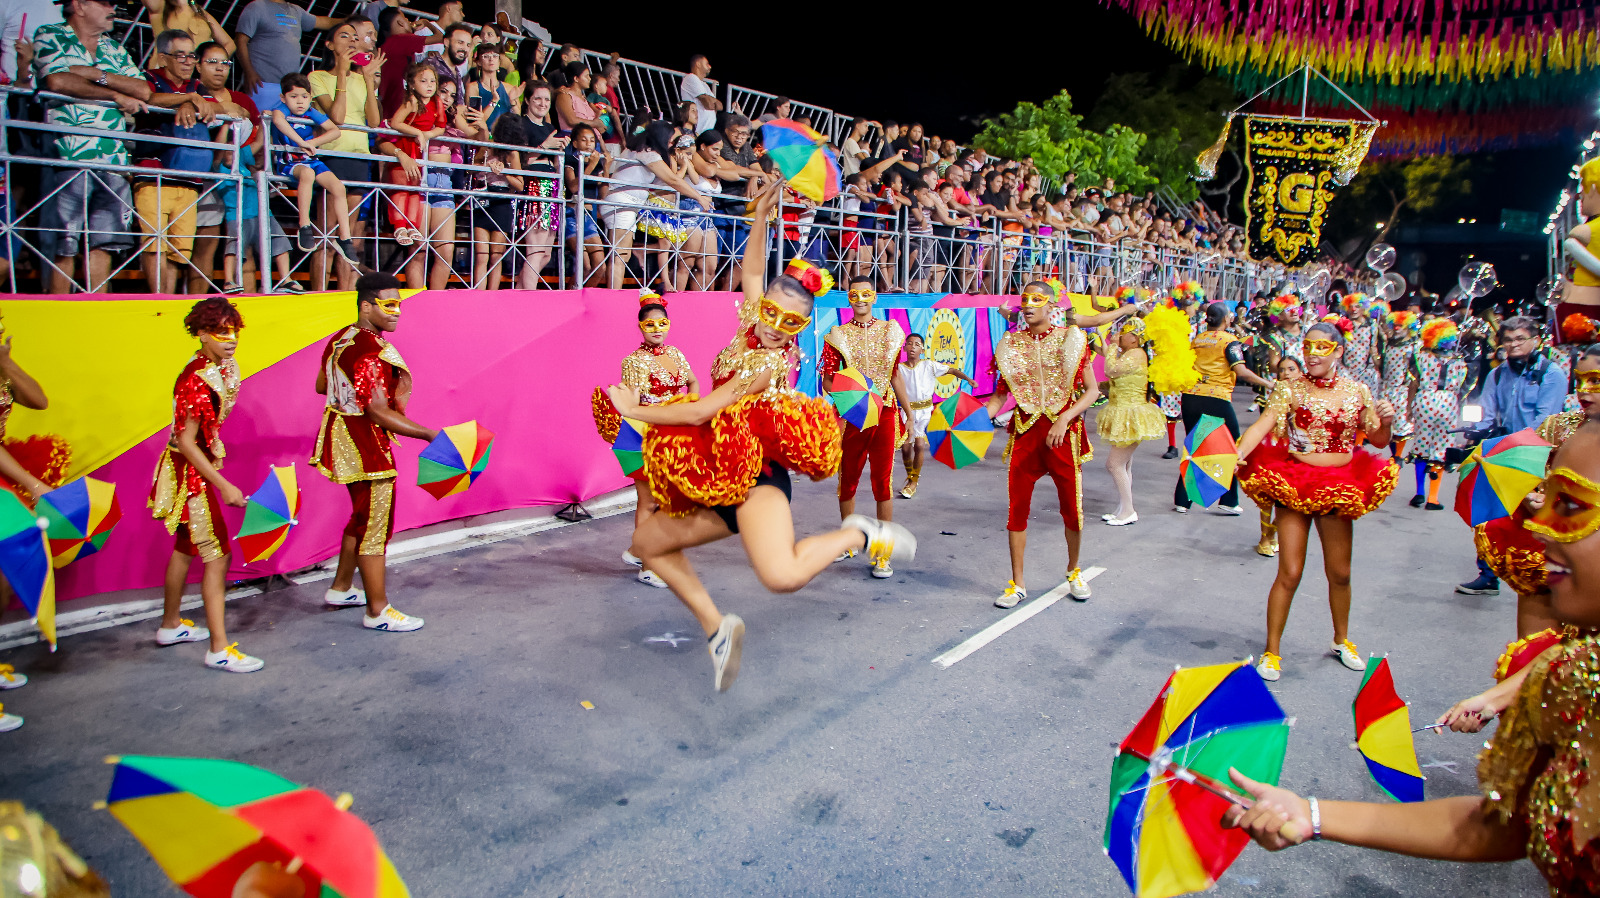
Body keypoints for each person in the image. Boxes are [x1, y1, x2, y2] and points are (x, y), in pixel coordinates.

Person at [1225, 419, 1600, 898]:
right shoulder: (1572, 677)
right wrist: (1312, 814)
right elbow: (1509, 824)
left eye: (1570, 506)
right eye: (1546, 498)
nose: (1541, 527)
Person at [599, 181, 916, 693]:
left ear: (802, 327)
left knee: (782, 576)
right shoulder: (753, 321)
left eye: (789, 322)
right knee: (646, 545)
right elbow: (750, 273)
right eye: (770, 312)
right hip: (714, 469)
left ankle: (858, 533)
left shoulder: (769, 362)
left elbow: (704, 408)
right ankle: (717, 629)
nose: (773, 325)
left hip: (754, 479)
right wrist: (760, 217)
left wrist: (635, 408)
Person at [1236, 319, 1397, 682]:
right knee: (1290, 571)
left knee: (1340, 573)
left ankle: (1342, 639)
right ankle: (1272, 651)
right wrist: (1237, 453)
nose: (1311, 354)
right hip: (1296, 482)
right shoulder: (1289, 388)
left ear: (1339, 351)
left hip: (1339, 485)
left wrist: (1385, 422)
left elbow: (1379, 439)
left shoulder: (1357, 391)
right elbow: (1263, 424)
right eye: (1307, 346)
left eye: (1321, 347)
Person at [312, 273, 438, 632]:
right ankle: (377, 610)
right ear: (366, 306)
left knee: (361, 516)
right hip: (365, 443)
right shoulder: (369, 351)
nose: (397, 312)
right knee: (375, 527)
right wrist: (429, 433)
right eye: (389, 305)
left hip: (340, 433)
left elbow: (322, 384)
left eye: (399, 304)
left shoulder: (343, 338)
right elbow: (378, 411)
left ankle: (340, 588)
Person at [147, 298, 263, 673]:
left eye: (234, 332)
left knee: (185, 546)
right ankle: (219, 648)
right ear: (200, 334)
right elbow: (184, 441)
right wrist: (223, 484)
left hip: (198, 464)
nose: (230, 340)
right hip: (189, 474)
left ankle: (170, 625)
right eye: (221, 332)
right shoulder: (194, 377)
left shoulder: (225, 367)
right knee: (218, 554)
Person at [984, 281, 1104, 609]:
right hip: (1025, 433)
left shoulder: (1071, 339)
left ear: (1051, 306)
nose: (1028, 305)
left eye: (1036, 300)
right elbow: (998, 396)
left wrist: (1065, 418)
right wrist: (973, 420)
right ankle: (1017, 583)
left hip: (1063, 435)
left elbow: (1092, 391)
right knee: (1016, 510)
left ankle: (1073, 570)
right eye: (1024, 300)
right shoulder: (1010, 344)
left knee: (1072, 510)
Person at [33, 0, 148, 293]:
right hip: (68, 154)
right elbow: (57, 81)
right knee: (64, 240)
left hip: (113, 157)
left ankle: (97, 312)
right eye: (106, 2)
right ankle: (58, 314)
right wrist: (116, 96)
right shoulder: (50, 34)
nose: (113, 8)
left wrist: (94, 75)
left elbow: (143, 90)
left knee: (105, 242)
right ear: (79, 6)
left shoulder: (114, 47)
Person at [1457, 315, 1570, 595]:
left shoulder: (1551, 374)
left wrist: (1515, 444)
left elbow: (1547, 421)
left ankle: (1545, 578)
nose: (1513, 344)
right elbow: (1487, 410)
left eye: (1520, 338)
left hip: (1536, 454)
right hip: (1499, 452)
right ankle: (1488, 575)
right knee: (1488, 516)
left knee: (1534, 517)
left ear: (1536, 340)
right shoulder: (1497, 373)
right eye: (1508, 340)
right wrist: (1471, 435)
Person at [819, 277, 912, 578]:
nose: (860, 299)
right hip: (852, 416)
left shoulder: (891, 332)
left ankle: (882, 553)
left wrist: (909, 413)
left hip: (885, 412)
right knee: (848, 478)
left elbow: (896, 375)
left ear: (875, 297)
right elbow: (827, 380)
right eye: (854, 294)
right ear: (848, 298)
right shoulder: (837, 335)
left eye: (866, 294)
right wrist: (849, 395)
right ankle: (848, 542)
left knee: (882, 481)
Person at [616, 293, 698, 590]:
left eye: (662, 323)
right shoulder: (633, 362)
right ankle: (650, 565)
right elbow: (634, 407)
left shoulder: (675, 353)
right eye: (650, 324)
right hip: (646, 436)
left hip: (676, 433)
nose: (657, 329)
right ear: (640, 327)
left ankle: (638, 551)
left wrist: (691, 404)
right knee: (650, 502)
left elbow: (693, 381)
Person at [1173, 302, 1272, 516]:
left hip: (1191, 397)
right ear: (1227, 319)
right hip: (1216, 398)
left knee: (1194, 446)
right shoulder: (1229, 341)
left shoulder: (1198, 339)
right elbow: (1241, 371)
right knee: (1233, 446)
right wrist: (1268, 384)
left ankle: (1183, 499)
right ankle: (1229, 500)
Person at [308, 17, 382, 291]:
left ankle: (343, 296)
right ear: (329, 44)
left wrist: (368, 80)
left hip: (359, 156)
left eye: (354, 37)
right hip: (332, 156)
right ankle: (318, 295)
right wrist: (341, 73)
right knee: (325, 234)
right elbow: (336, 116)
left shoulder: (362, 78)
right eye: (344, 37)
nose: (352, 41)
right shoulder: (317, 77)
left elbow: (373, 122)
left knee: (346, 237)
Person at [1097, 316, 1166, 525]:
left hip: (1131, 415)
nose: (1120, 336)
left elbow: (1110, 369)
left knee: (1114, 465)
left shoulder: (1136, 354)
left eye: (1124, 333)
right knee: (1124, 466)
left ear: (1135, 338)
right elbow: (1113, 365)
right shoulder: (1131, 354)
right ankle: (1122, 509)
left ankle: (1128, 511)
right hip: (1124, 412)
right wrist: (1104, 342)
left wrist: (1112, 346)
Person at [896, 332, 974, 499]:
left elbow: (952, 370)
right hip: (907, 411)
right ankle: (910, 475)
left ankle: (913, 482)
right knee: (906, 447)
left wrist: (968, 379)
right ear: (904, 347)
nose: (913, 347)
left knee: (919, 444)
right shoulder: (899, 369)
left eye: (917, 344)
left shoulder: (929, 366)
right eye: (910, 344)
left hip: (924, 412)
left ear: (922, 350)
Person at [1406, 319, 1467, 510]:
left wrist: (1409, 408)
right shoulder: (1459, 361)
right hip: (1448, 404)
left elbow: (1413, 384)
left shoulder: (1420, 357)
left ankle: (1419, 492)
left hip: (1425, 402)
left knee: (1422, 446)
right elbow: (1463, 388)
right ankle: (1433, 498)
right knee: (1441, 450)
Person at [234, 0, 337, 111]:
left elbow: (323, 22)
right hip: (262, 84)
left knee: (283, 126)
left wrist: (349, 21)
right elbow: (240, 41)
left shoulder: (296, 10)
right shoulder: (256, 6)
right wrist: (249, 71)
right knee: (259, 124)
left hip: (289, 89)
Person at [564, 123, 609, 286]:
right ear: (575, 143)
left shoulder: (596, 164)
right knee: (584, 265)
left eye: (592, 140)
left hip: (589, 217)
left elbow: (603, 194)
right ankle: (569, 299)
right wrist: (590, 166)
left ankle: (584, 298)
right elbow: (573, 187)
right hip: (572, 215)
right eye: (584, 140)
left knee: (599, 267)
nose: (589, 143)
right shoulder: (570, 159)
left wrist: (606, 166)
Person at [1378, 310, 1421, 457]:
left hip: (1403, 390)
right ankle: (1394, 454)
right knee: (1388, 423)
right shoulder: (1389, 345)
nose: (1396, 329)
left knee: (1401, 425)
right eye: (1395, 325)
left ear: (1409, 327)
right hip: (1387, 388)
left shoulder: (1414, 347)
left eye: (1400, 326)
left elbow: (1416, 373)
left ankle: (1398, 456)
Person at [142, 0, 233, 58]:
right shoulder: (160, 8)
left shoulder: (198, 11)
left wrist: (213, 63)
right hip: (171, 74)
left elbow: (229, 44)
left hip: (196, 76)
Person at [679, 53, 719, 135]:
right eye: (707, 64)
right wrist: (712, 101)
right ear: (698, 64)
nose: (710, 67)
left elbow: (719, 106)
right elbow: (708, 104)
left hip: (705, 132)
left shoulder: (705, 85)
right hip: (696, 130)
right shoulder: (691, 78)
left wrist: (711, 101)